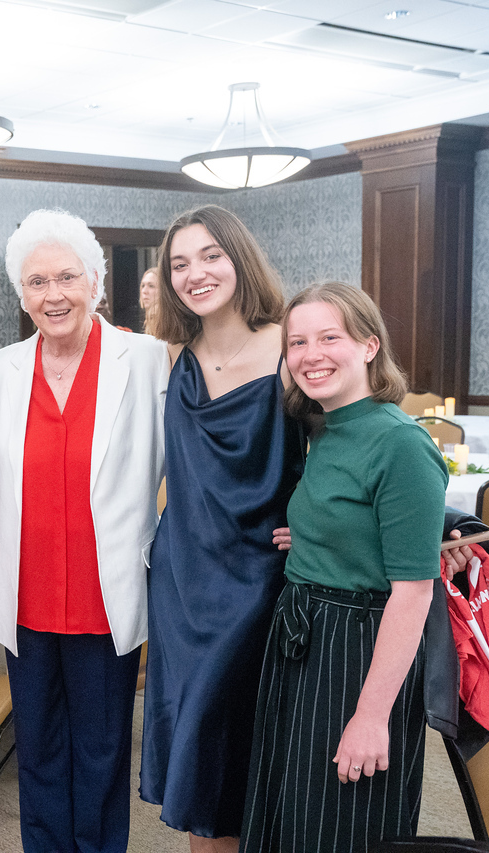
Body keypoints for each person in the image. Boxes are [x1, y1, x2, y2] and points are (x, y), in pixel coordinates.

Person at [0, 208, 167, 852]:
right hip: (26, 599)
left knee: (102, 753)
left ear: (95, 282)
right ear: (20, 294)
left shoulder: (145, 361)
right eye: (36, 282)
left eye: (66, 278)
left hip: (105, 597)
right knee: (38, 751)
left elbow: (193, 457)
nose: (53, 294)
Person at [239, 282, 448, 853]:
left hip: (359, 647)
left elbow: (413, 594)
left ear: (369, 346)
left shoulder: (401, 444)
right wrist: (306, 533)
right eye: (298, 342)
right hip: (303, 634)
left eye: (331, 337)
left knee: (343, 819)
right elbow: (349, 519)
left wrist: (371, 715)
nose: (312, 355)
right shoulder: (325, 428)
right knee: (292, 810)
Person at [139, 205, 305, 853]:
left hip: (259, 587)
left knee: (241, 760)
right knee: (199, 774)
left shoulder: (293, 346)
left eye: (210, 255)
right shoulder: (171, 355)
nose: (195, 272)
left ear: (239, 256)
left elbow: (359, 442)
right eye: (179, 263)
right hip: (181, 585)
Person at [139, 266, 160, 336]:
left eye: (151, 286)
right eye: (142, 286)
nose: (144, 291)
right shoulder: (150, 317)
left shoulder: (164, 319)